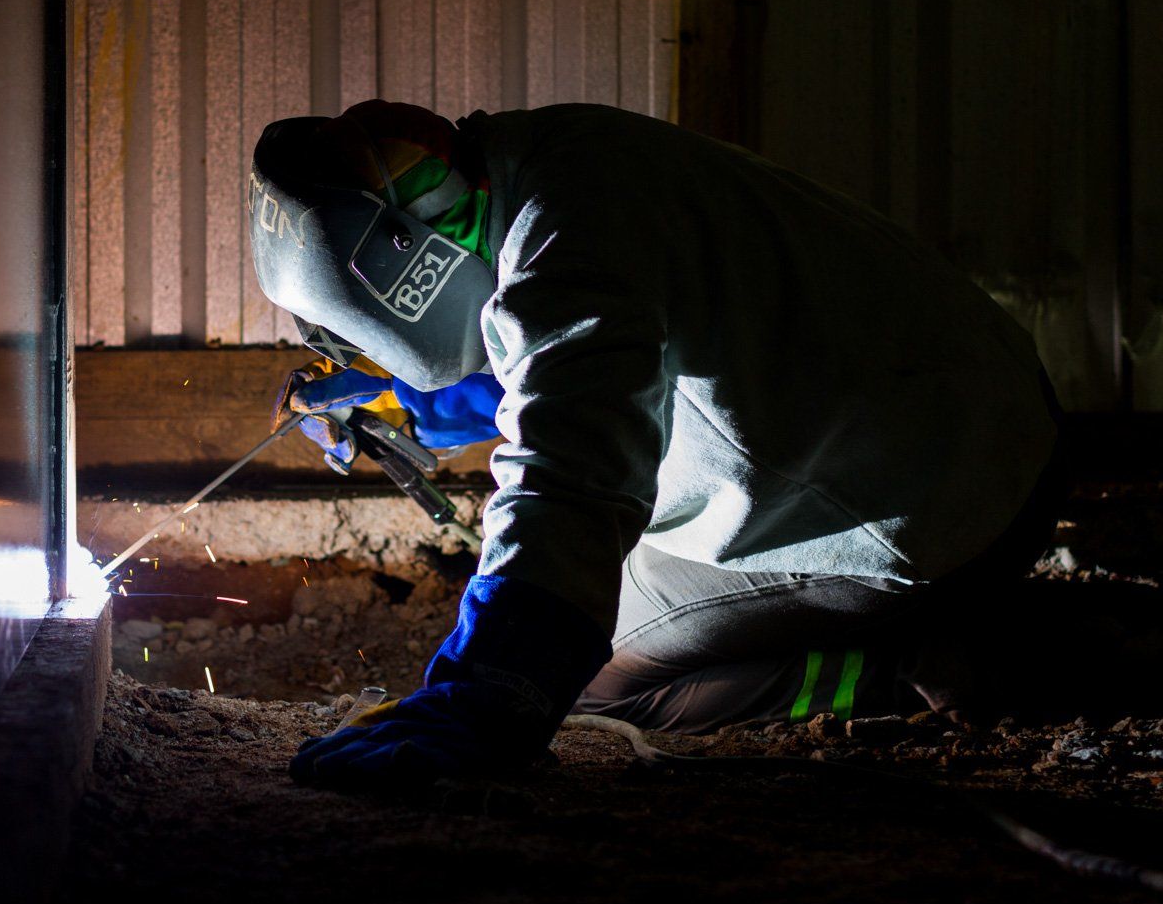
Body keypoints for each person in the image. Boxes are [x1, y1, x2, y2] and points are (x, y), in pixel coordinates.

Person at [249, 99, 1065, 790]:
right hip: (1004, 423)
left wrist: (486, 692)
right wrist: (409, 405)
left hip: (925, 505)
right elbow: (598, 347)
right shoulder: (550, 152)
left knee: (588, 676)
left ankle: (910, 666)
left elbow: (570, 483)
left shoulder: (565, 253)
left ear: (404, 270)